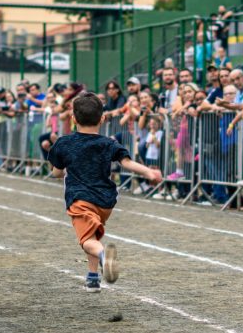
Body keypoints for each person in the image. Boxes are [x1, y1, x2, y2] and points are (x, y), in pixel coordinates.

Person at [48, 93, 162, 292]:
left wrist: (56, 172)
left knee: (87, 241)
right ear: (102, 119)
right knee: (93, 233)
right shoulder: (108, 143)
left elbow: (57, 171)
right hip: (105, 201)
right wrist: (149, 172)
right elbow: (126, 162)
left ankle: (103, 257)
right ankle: (92, 278)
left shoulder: (64, 143)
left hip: (80, 198)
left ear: (74, 119)